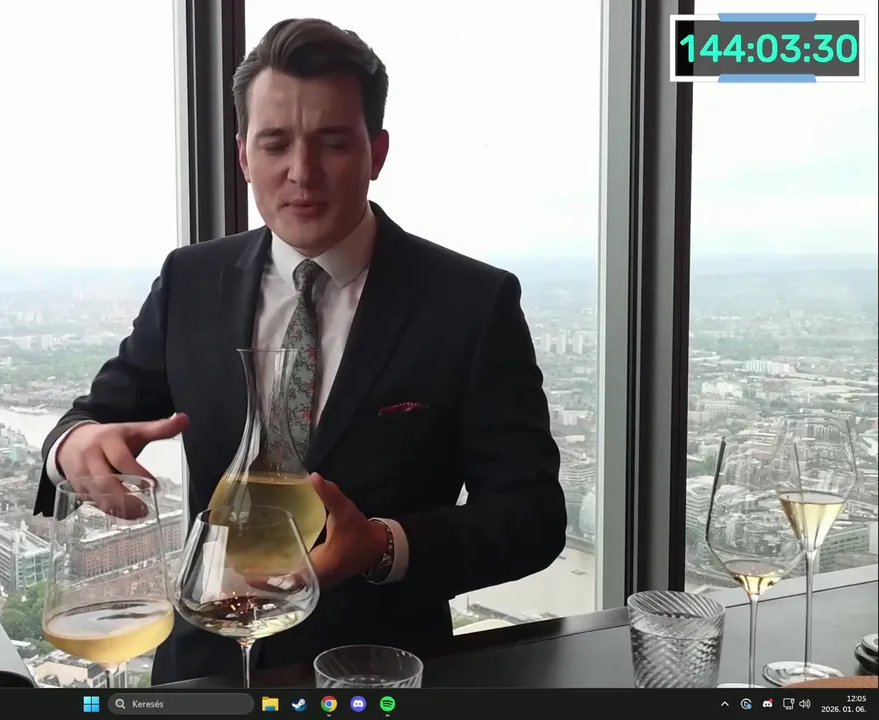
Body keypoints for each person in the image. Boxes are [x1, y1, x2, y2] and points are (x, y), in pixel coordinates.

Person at [33, 18, 567, 685]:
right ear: (243, 157)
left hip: (375, 673)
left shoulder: (471, 303)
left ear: (377, 153)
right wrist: (74, 446)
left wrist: (381, 545)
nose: (301, 172)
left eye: (333, 143)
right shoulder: (190, 280)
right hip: (205, 667)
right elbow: (89, 418)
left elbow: (532, 518)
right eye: (275, 143)